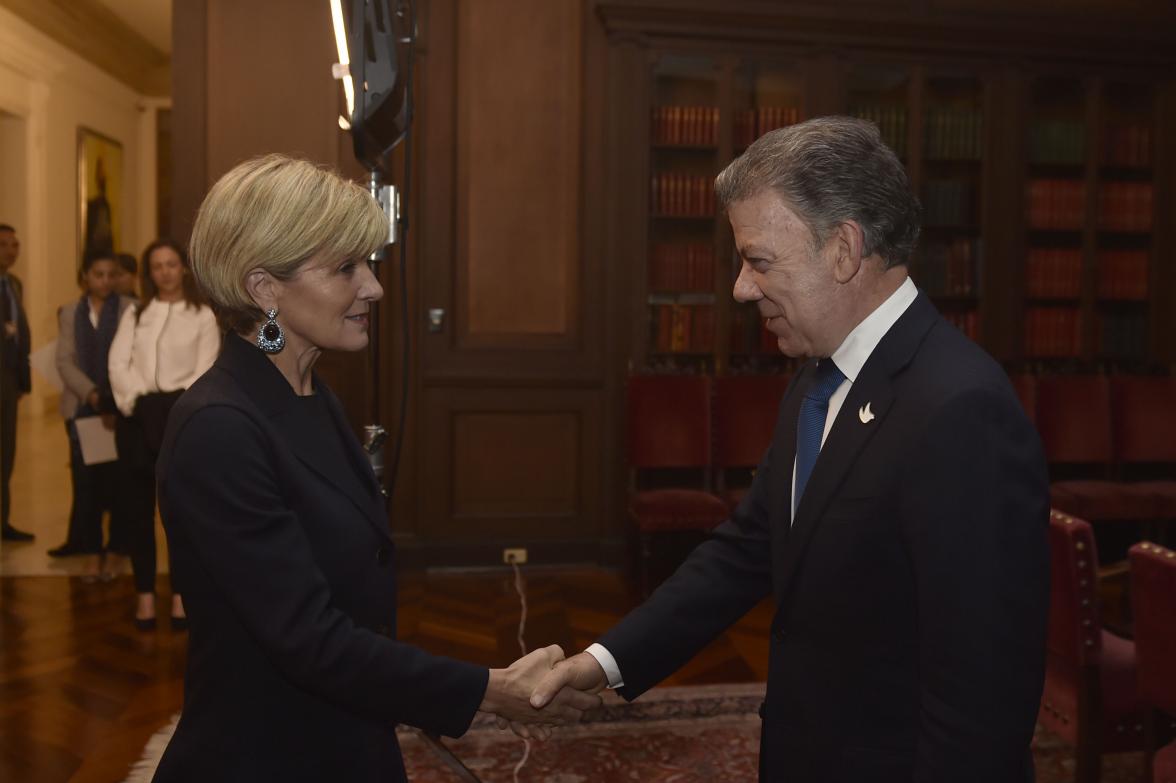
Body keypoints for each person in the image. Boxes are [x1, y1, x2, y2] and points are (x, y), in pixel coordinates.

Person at [532, 117, 1050, 782]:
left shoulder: (960, 409)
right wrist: (604, 662)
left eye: (759, 260)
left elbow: (983, 692)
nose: (741, 287)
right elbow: (749, 548)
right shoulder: (816, 375)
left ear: (842, 249)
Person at [150, 154, 598, 782]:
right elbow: (307, 639)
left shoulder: (312, 394)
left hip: (342, 739)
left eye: (368, 263)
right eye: (344, 269)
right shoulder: (219, 429)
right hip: (265, 756)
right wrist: (486, 689)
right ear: (263, 289)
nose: (374, 288)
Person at [108, 239, 220, 629]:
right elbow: (118, 363)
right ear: (148, 273)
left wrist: (175, 406)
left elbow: (205, 369)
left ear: (183, 269)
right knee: (137, 513)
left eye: (172, 264)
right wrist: (135, 402)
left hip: (180, 422)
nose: (165, 272)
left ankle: (179, 596)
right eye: (157, 266)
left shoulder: (202, 315)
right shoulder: (135, 314)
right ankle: (143, 595)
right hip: (138, 421)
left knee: (180, 515)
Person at [49, 250, 136, 577]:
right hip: (84, 408)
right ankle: (92, 551)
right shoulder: (71, 312)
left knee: (118, 483)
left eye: (111, 274)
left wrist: (112, 398)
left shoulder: (130, 308)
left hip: (120, 408)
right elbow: (64, 361)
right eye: (98, 274)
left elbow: (130, 357)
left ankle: (116, 549)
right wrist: (94, 394)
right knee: (86, 486)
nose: (105, 280)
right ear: (85, 276)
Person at [0, 223, 33, 543]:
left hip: (9, 382)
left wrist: (23, 380)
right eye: (4, 245)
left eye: (14, 244)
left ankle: (3, 521)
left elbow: (20, 334)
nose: (11, 251)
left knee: (5, 454)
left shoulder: (14, 284)